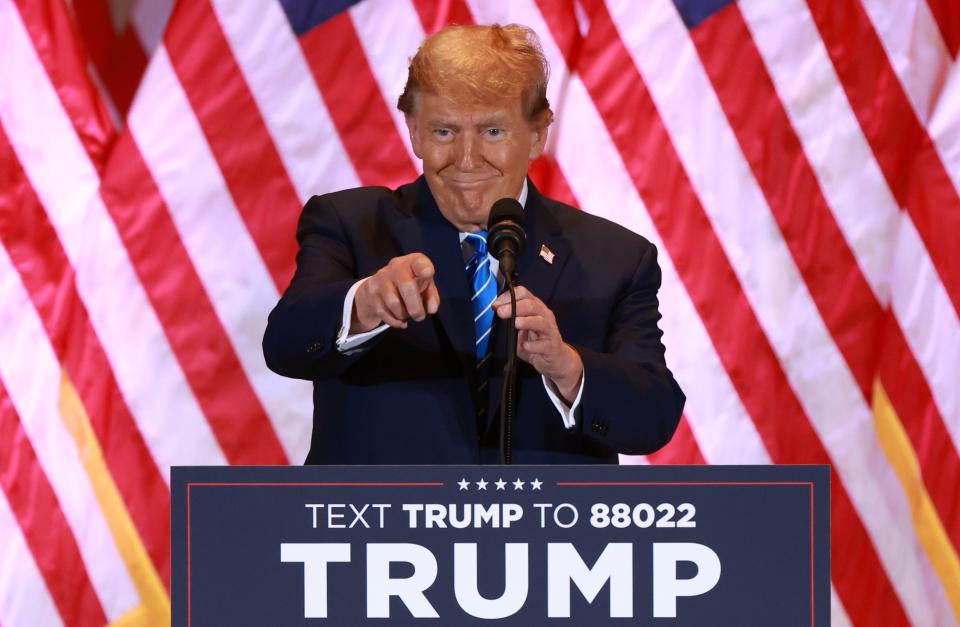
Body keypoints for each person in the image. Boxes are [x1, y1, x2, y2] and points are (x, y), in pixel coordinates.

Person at [263, 24, 684, 464]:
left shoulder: (614, 257)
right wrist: (364, 304)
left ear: (538, 133)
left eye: (492, 132)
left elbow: (652, 419)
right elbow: (286, 346)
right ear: (414, 131)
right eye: (444, 132)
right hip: (380, 528)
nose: (466, 160)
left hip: (547, 530)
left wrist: (567, 367)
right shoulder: (351, 224)